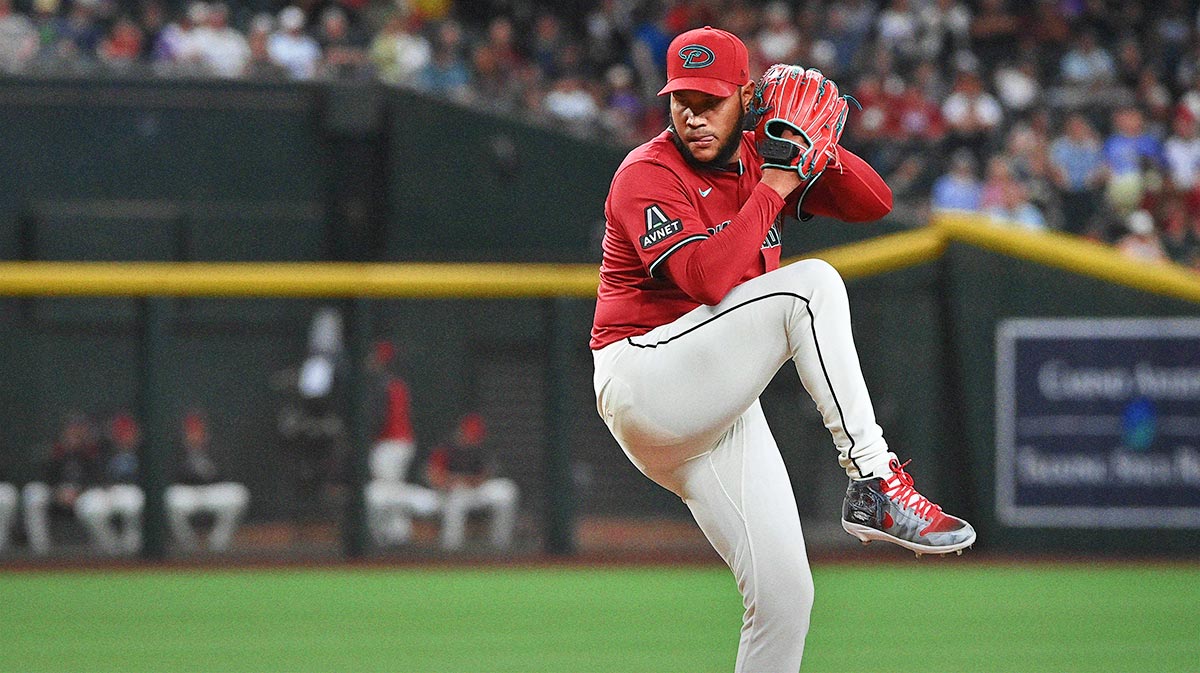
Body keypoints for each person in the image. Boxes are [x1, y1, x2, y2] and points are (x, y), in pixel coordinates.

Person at [590, 27, 975, 672]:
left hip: (717, 408)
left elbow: (875, 202)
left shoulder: (759, 154)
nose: (693, 113)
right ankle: (873, 479)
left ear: (745, 97)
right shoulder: (646, 173)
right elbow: (708, 281)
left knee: (785, 597)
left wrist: (816, 144)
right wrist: (775, 184)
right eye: (682, 97)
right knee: (812, 287)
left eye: (711, 100)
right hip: (644, 378)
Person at [363, 340, 439, 546]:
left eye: (375, 357)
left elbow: (377, 418)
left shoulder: (383, 383)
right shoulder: (398, 383)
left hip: (389, 443)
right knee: (388, 489)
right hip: (402, 441)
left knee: (383, 492)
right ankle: (398, 532)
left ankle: (427, 501)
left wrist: (366, 439)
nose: (371, 360)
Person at [425, 413, 517, 551]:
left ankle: (500, 546)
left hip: (475, 491)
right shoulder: (447, 448)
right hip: (450, 494)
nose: (473, 438)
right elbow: (435, 476)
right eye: (470, 434)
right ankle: (451, 551)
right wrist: (452, 482)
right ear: (462, 432)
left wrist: (468, 480)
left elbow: (484, 476)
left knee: (507, 490)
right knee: (456, 498)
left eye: (476, 435)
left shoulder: (481, 448)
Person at [164, 410, 250, 552]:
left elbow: (225, 474)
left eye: (197, 430)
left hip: (212, 491)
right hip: (188, 493)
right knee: (168, 497)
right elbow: (171, 476)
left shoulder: (215, 447)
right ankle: (188, 545)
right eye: (191, 431)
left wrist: (208, 472)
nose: (194, 434)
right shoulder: (177, 449)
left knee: (239, 493)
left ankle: (218, 543)